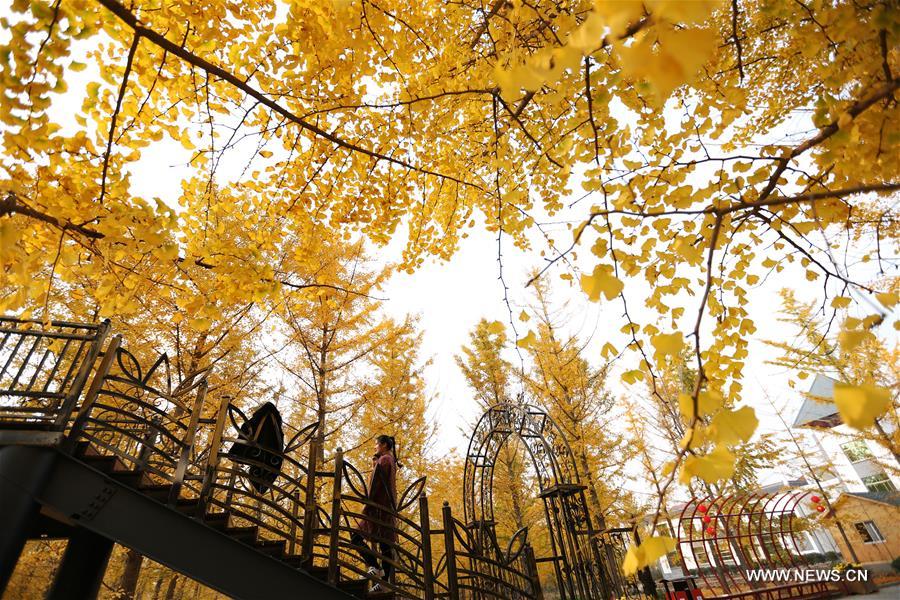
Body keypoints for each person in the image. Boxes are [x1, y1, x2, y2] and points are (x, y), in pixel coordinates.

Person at [351, 435, 400, 592]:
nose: (375, 447)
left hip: (378, 508)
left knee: (356, 535)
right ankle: (383, 583)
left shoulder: (385, 460)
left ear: (384, 445)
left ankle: (374, 566)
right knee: (385, 544)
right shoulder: (388, 459)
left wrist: (368, 502)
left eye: (377, 445)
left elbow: (377, 484)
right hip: (384, 508)